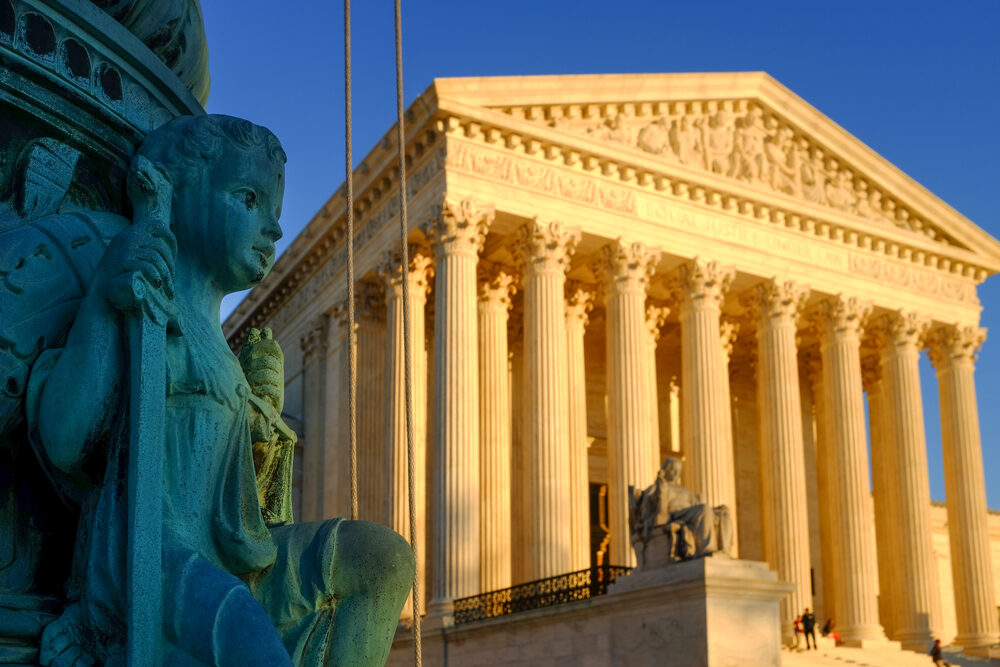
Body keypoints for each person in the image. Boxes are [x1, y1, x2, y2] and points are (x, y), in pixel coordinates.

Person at [31, 114, 414, 666]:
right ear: (179, 194)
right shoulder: (140, 299)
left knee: (383, 558)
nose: (274, 229)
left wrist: (262, 417)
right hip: (151, 560)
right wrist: (100, 303)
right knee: (255, 651)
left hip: (237, 558)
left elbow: (239, 500)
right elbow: (66, 439)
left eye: (275, 213)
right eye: (249, 199)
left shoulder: (223, 353)